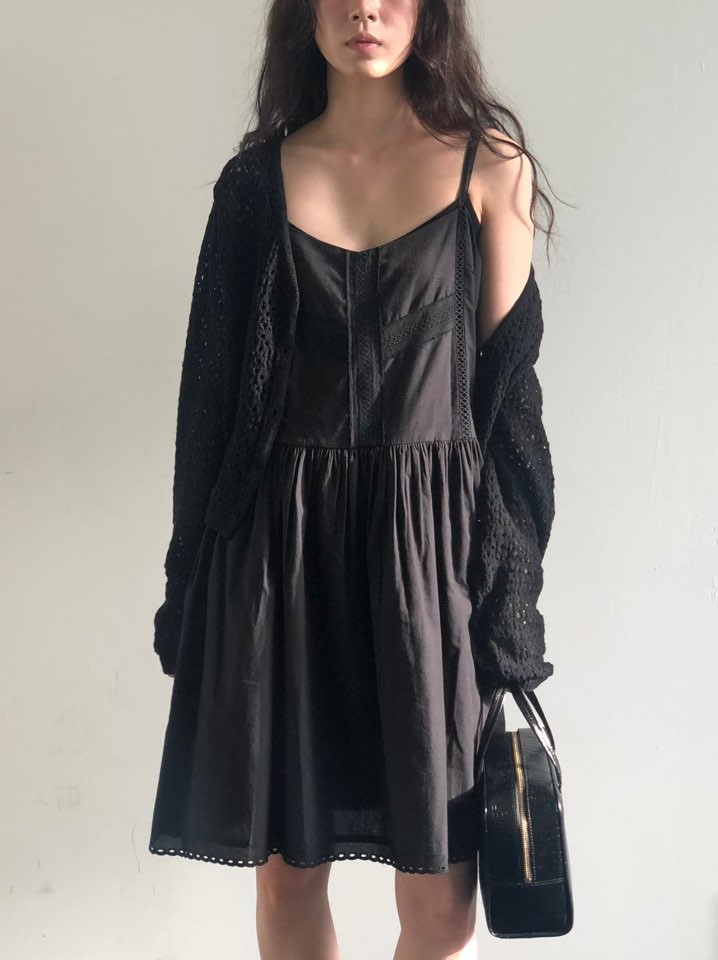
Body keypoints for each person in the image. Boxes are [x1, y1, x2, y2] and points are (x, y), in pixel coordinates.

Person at [148, 1, 560, 957]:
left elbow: (511, 411)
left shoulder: (491, 167)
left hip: (433, 562)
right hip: (278, 562)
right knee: (288, 876)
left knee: (443, 906)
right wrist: (188, 586)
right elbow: (206, 406)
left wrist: (513, 599)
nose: (365, 8)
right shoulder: (254, 186)